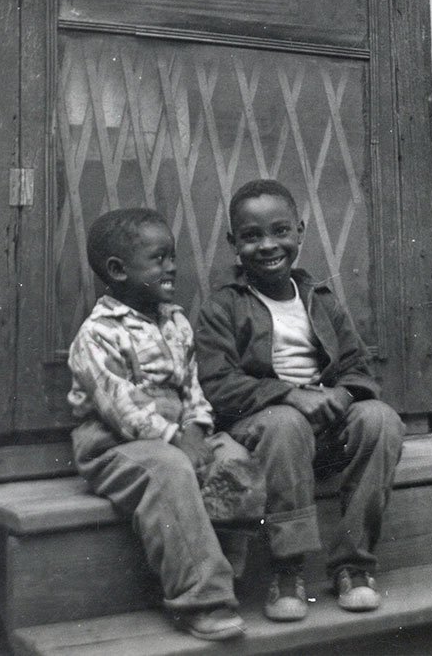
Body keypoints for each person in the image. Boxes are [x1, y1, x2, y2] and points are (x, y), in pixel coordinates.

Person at [196, 179, 405, 623]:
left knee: (381, 419)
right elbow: (218, 383)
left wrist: (342, 393)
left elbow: (358, 366)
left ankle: (353, 564)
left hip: (325, 431)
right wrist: (289, 395)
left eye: (280, 231)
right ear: (233, 243)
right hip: (265, 431)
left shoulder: (320, 300)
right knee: (285, 423)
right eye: (251, 236)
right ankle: (287, 569)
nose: (268, 245)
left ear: (300, 232)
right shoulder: (224, 307)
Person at [68, 208, 260, 642]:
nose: (171, 266)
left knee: (234, 458)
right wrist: (175, 438)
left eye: (172, 256)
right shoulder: (97, 334)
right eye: (158, 259)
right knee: (169, 471)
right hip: (114, 445)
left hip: (177, 434)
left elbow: (192, 386)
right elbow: (120, 409)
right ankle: (200, 598)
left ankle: (228, 571)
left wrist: (196, 427)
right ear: (117, 270)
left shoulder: (175, 322)